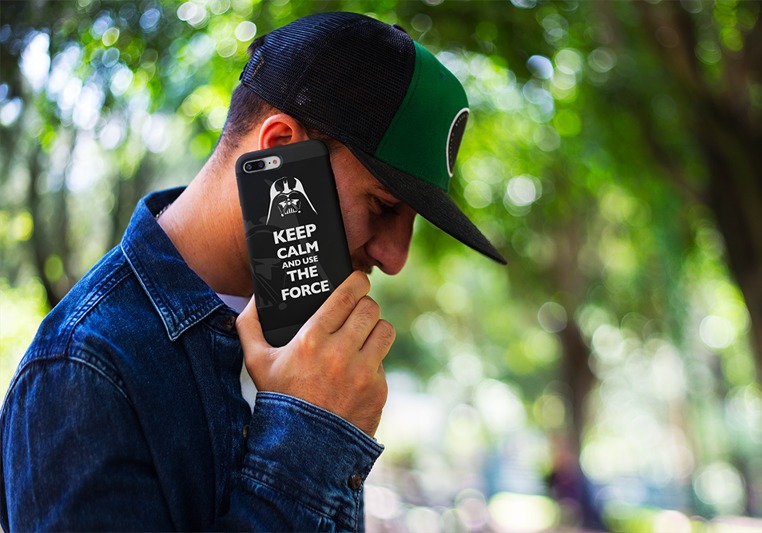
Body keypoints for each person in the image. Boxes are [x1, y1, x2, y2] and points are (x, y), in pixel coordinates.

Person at [0, 11, 506, 531]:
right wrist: (310, 432)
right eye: (382, 206)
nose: (395, 258)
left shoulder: (310, 343)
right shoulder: (83, 369)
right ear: (282, 148)